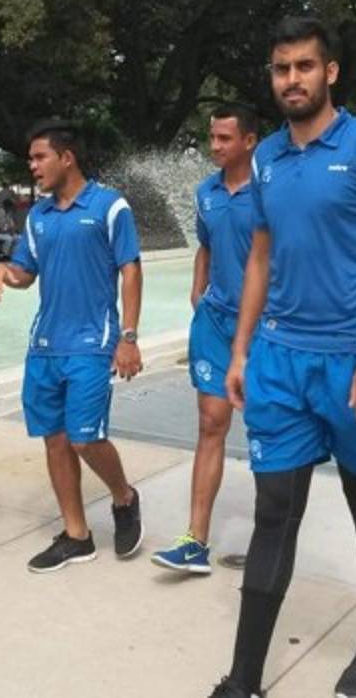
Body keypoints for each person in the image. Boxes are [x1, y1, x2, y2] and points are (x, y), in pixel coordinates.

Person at [210, 17, 356, 698]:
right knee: (275, 511)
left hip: (354, 361)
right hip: (278, 361)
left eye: (304, 66)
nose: (291, 79)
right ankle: (243, 681)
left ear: (330, 73)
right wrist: (240, 351)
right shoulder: (266, 155)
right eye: (280, 68)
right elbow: (261, 258)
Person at [0, 119, 144, 572]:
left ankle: (124, 496)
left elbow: (131, 271)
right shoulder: (37, 216)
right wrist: (4, 273)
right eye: (31, 159)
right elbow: (26, 272)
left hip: (92, 344)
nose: (32, 166)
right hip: (45, 346)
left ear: (67, 157)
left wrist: (128, 338)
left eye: (39, 157)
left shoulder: (110, 206)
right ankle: (77, 535)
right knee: (55, 442)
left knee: (85, 439)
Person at [152, 104, 259, 575]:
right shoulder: (205, 193)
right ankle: (195, 540)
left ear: (249, 141)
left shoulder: (272, 191)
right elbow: (207, 245)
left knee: (270, 432)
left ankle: (273, 539)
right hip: (215, 323)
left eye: (223, 139)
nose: (214, 147)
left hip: (264, 328)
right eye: (211, 138)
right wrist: (197, 287)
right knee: (211, 423)